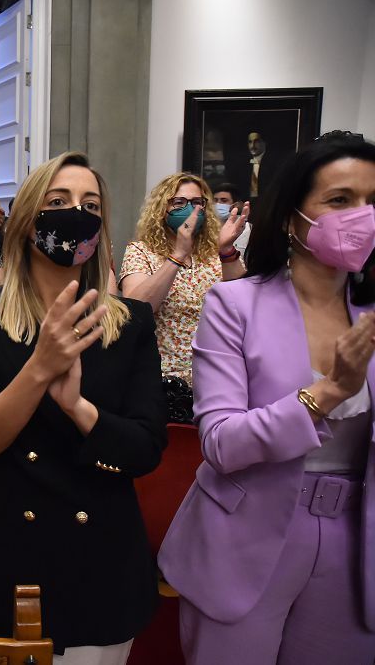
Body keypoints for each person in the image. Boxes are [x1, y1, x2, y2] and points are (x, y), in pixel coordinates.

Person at [0, 152, 167, 664]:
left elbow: (145, 449)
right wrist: (40, 368)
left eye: (90, 204)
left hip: (98, 556)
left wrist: (78, 407)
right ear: (27, 221)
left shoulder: (134, 324)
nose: (75, 213)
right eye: (57, 202)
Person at [159, 134, 375, 664]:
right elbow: (221, 442)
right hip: (247, 537)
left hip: (356, 543)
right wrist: (324, 394)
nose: (363, 216)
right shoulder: (235, 304)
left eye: (374, 202)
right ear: (290, 217)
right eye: (341, 200)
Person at [119, 172, 249, 386]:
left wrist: (226, 250)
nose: (191, 209)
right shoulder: (141, 252)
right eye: (179, 202)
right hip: (161, 379)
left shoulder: (214, 253)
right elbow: (136, 309)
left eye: (197, 202)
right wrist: (177, 256)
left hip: (217, 375)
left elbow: (245, 304)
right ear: (162, 209)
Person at [213, 182, 251, 254]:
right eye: (215, 200)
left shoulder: (248, 229)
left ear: (235, 205)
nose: (218, 204)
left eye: (224, 201)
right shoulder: (206, 227)